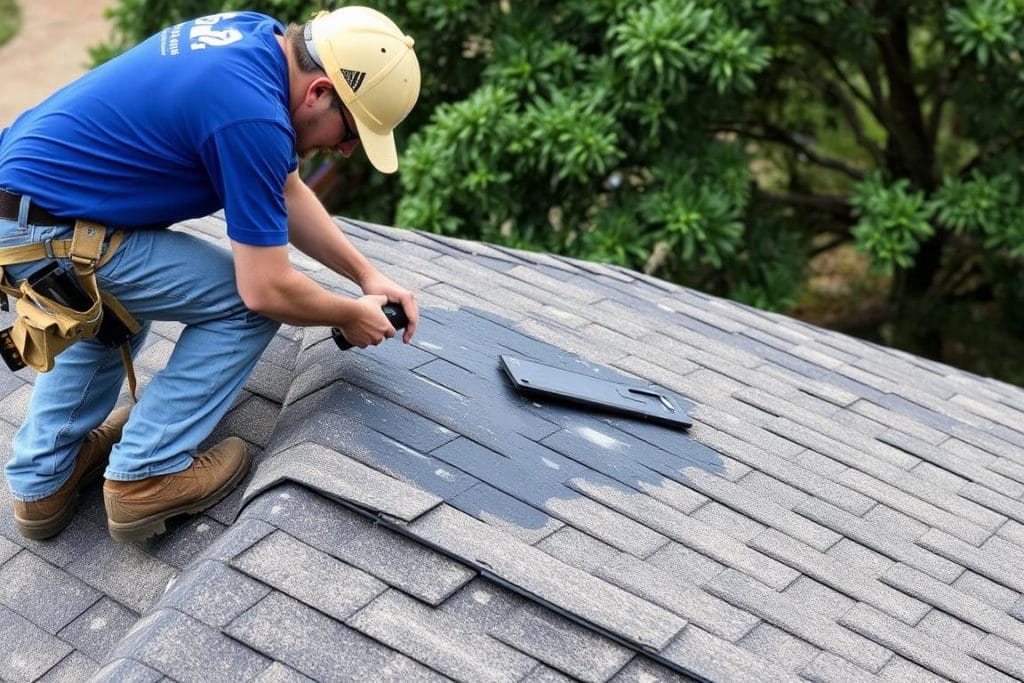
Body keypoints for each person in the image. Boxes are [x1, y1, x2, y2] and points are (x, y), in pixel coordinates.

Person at [0, 6, 421, 542]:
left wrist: (367, 277)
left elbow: (287, 190)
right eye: (352, 130)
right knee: (246, 305)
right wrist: (346, 314)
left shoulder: (258, 38)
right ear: (317, 93)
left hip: (21, 212)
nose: (344, 149)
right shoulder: (254, 117)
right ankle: (145, 475)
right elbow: (265, 288)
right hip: (45, 233)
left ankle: (42, 482)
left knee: (111, 311)